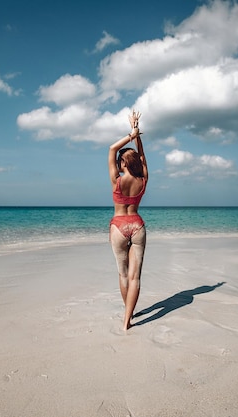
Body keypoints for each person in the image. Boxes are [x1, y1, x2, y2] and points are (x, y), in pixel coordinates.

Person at [108, 110, 148, 331]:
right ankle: (126, 321)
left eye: (119, 160)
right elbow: (142, 158)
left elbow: (112, 148)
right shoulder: (143, 179)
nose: (116, 161)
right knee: (135, 277)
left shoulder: (117, 179)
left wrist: (131, 133)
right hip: (138, 225)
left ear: (123, 162)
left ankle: (128, 316)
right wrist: (138, 135)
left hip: (118, 227)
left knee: (123, 274)